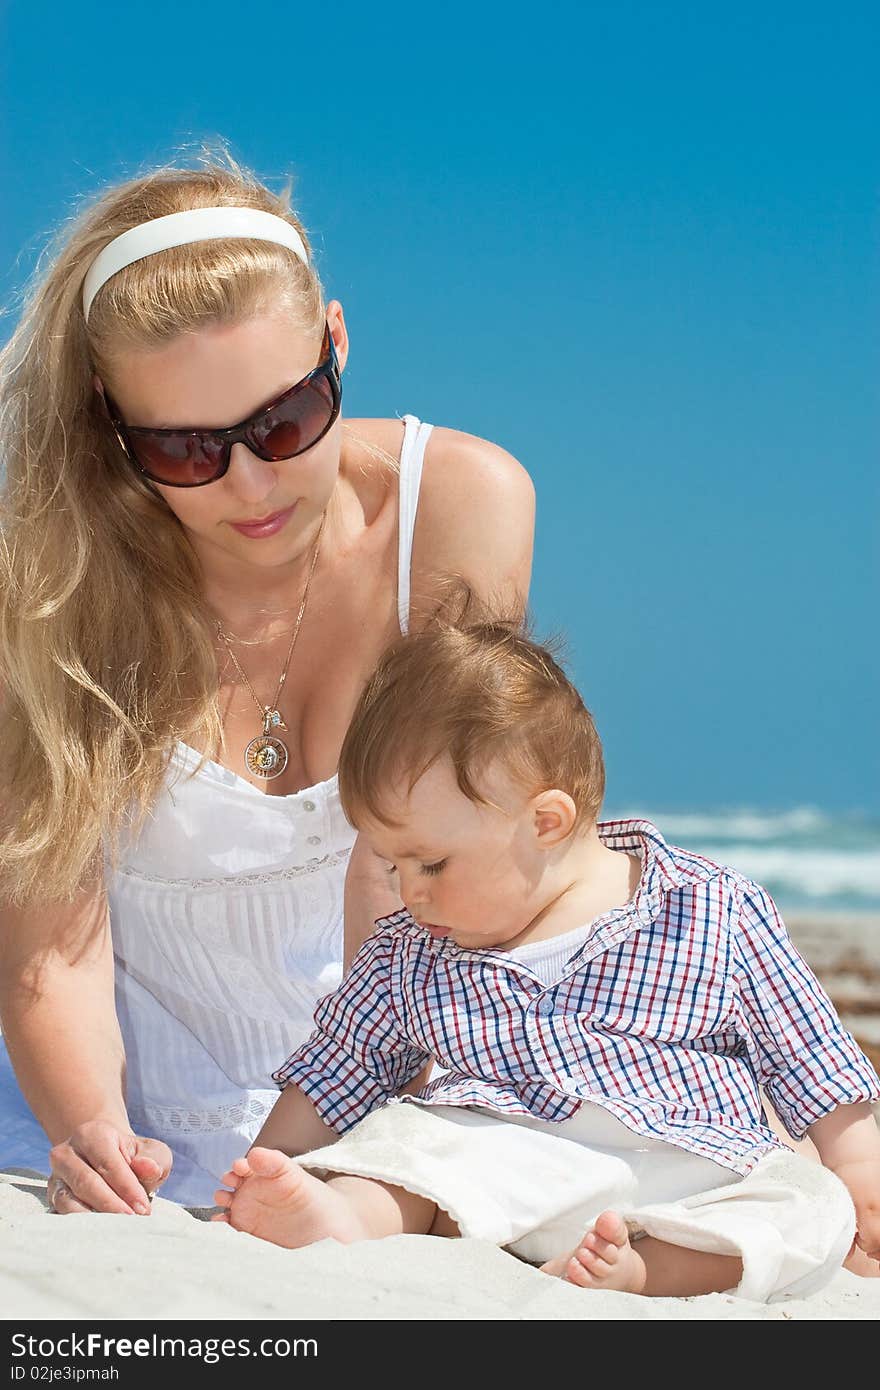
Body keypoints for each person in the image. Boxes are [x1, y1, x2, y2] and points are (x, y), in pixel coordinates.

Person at [0, 155, 535, 1212]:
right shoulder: (46, 586)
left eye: (284, 423)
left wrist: (369, 1152)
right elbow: (47, 950)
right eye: (188, 450)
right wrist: (96, 1134)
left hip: (384, 1090)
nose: (250, 483)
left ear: (336, 345)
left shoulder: (457, 510)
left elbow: (427, 883)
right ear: (115, 426)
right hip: (98, 1100)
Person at [214, 618, 880, 1301]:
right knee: (404, 1146)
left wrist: (860, 1168)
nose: (409, 891)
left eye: (432, 863)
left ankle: (645, 1273)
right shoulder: (410, 954)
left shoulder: (707, 908)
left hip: (689, 1165)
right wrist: (279, 1163)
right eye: (392, 864)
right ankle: (343, 1219)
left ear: (545, 822)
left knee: (806, 1209)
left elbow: (811, 1054)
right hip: (503, 1162)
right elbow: (339, 1066)